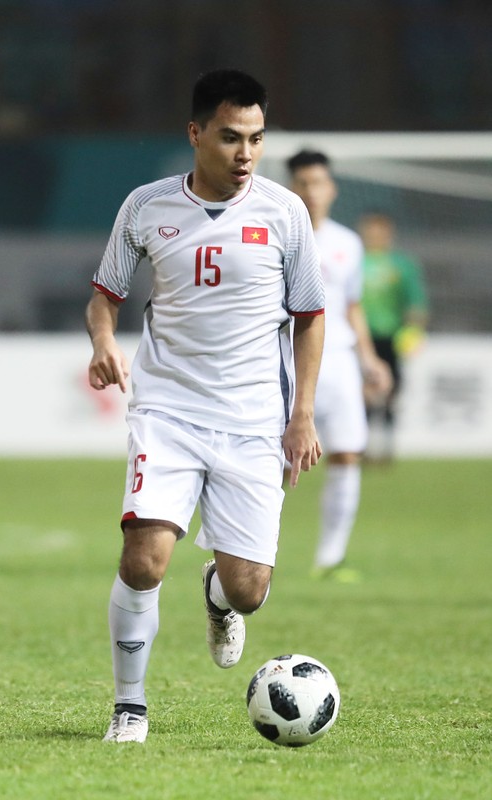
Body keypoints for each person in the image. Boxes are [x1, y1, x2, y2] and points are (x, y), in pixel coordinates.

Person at [85, 69, 325, 744]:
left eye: (255, 138)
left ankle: (220, 595)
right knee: (144, 557)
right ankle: (128, 707)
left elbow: (310, 316)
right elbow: (105, 294)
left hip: (253, 422)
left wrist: (300, 414)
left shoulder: (285, 214)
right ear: (196, 135)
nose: (245, 152)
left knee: (250, 587)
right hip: (166, 410)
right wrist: (104, 342)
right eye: (229, 137)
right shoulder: (146, 207)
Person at [286, 150, 392, 582]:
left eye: (319, 183)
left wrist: (369, 359)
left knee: (347, 453)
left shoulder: (348, 243)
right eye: (304, 183)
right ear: (291, 187)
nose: (312, 191)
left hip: (340, 363)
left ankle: (330, 558)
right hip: (288, 360)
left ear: (333, 189)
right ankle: (251, 559)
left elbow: (351, 307)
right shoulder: (278, 234)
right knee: (273, 461)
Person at [357, 211, 428, 463]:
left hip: (391, 337)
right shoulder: (354, 259)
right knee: (360, 392)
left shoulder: (402, 264)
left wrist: (413, 332)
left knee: (391, 391)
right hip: (360, 339)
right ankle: (361, 444)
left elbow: (415, 303)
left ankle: (386, 445)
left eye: (380, 229)